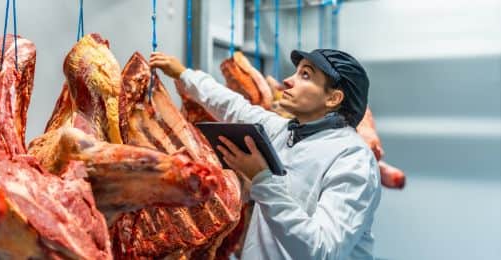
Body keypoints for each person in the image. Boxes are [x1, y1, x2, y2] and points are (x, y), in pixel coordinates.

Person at [150, 49, 381, 260]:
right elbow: (234, 108)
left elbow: (323, 249)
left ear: (333, 99)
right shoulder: (286, 131)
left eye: (305, 75)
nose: (288, 81)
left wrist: (262, 179)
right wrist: (183, 74)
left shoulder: (352, 158)